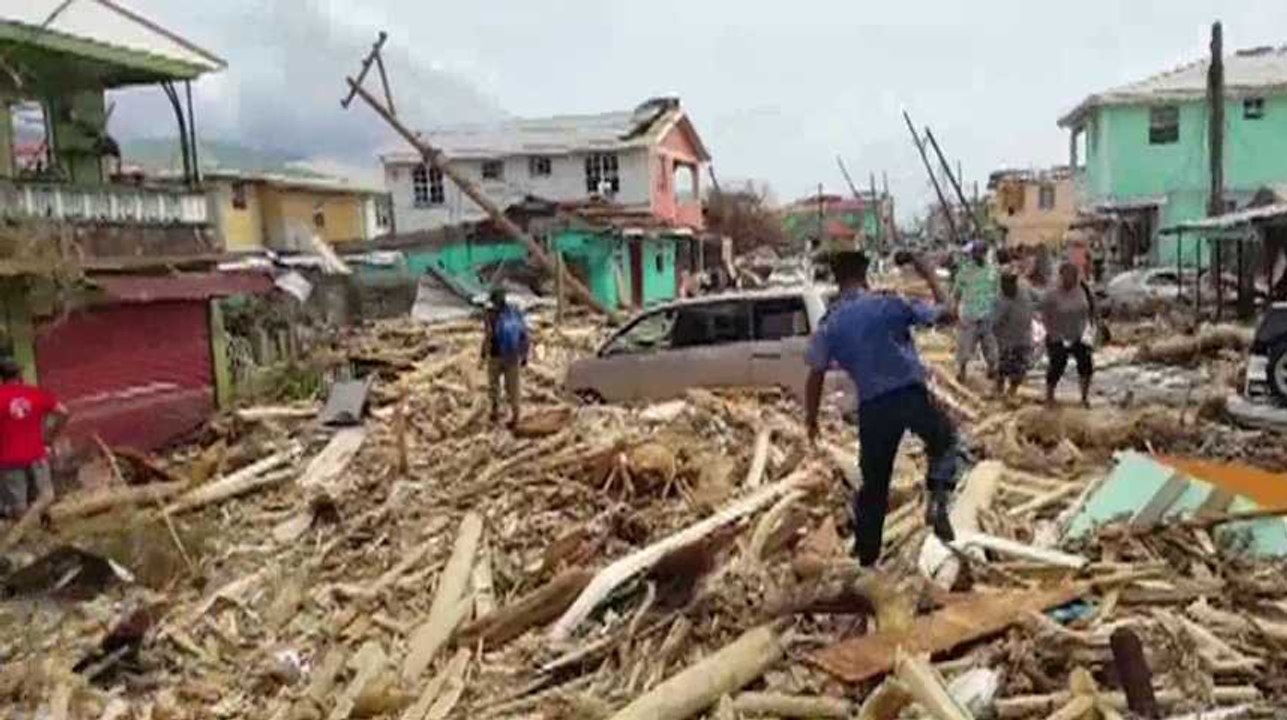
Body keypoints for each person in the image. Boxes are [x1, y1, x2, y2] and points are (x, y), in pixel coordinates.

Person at [804, 250, 959, 567]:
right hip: (909, 394)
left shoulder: (830, 323)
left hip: (873, 407)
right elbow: (948, 314)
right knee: (945, 440)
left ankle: (866, 562)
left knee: (873, 487)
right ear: (865, 275)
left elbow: (815, 374)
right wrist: (926, 270)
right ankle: (938, 499)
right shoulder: (888, 304)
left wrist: (811, 420)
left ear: (836, 279)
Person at [0, 358, 69, 519]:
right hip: (37, 454)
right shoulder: (35, 393)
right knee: (44, 500)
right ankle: (48, 534)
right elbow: (64, 413)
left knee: (19, 506)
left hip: (9, 459)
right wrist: (49, 437)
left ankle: (26, 538)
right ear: (20, 374)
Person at [1040, 262, 1096, 408]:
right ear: (1062, 276)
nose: (1070, 279)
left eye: (1073, 276)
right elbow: (1044, 315)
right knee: (1058, 364)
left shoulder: (1082, 290)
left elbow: (1091, 309)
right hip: (1058, 334)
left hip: (1079, 333)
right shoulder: (1052, 294)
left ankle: (1084, 397)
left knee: (1086, 364)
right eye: (1067, 276)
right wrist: (1052, 333)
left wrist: (1091, 329)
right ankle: (1049, 397)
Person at [480, 287, 529, 428]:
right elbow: (523, 334)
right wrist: (524, 355)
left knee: (494, 385)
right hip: (512, 356)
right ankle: (515, 415)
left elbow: (488, 336)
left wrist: (483, 354)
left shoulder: (489, 315)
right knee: (513, 387)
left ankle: (494, 411)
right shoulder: (514, 312)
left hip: (495, 355)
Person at [952, 241, 999, 383]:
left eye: (980, 252)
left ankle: (992, 368)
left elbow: (997, 291)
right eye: (975, 253)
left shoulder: (992, 270)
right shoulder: (965, 270)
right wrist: (954, 309)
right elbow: (957, 292)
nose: (977, 255)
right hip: (970, 313)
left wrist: (996, 309)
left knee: (989, 343)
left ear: (984, 253)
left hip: (987, 313)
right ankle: (962, 370)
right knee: (965, 343)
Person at [992, 272, 1036, 399]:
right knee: (1003, 365)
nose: (1008, 288)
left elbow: (1038, 297)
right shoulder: (999, 298)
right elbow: (994, 321)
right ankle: (999, 387)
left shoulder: (1024, 287)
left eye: (1010, 284)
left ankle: (1012, 390)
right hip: (1006, 339)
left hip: (1023, 336)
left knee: (1020, 366)